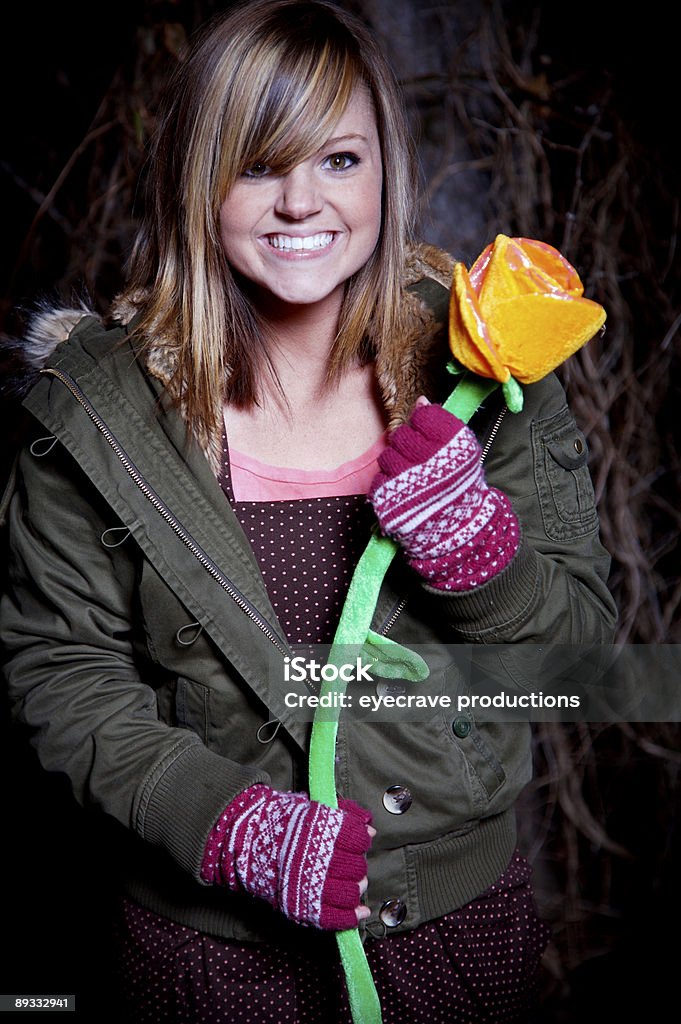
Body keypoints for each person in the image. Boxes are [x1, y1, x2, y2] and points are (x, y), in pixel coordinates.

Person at [0, 1, 617, 1021]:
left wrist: (483, 564)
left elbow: (581, 659)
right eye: (257, 164)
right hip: (206, 964)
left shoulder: (487, 374)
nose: (300, 203)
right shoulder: (96, 414)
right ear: (199, 180)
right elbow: (62, 674)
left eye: (337, 160)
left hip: (460, 939)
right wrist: (230, 823)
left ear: (385, 170)